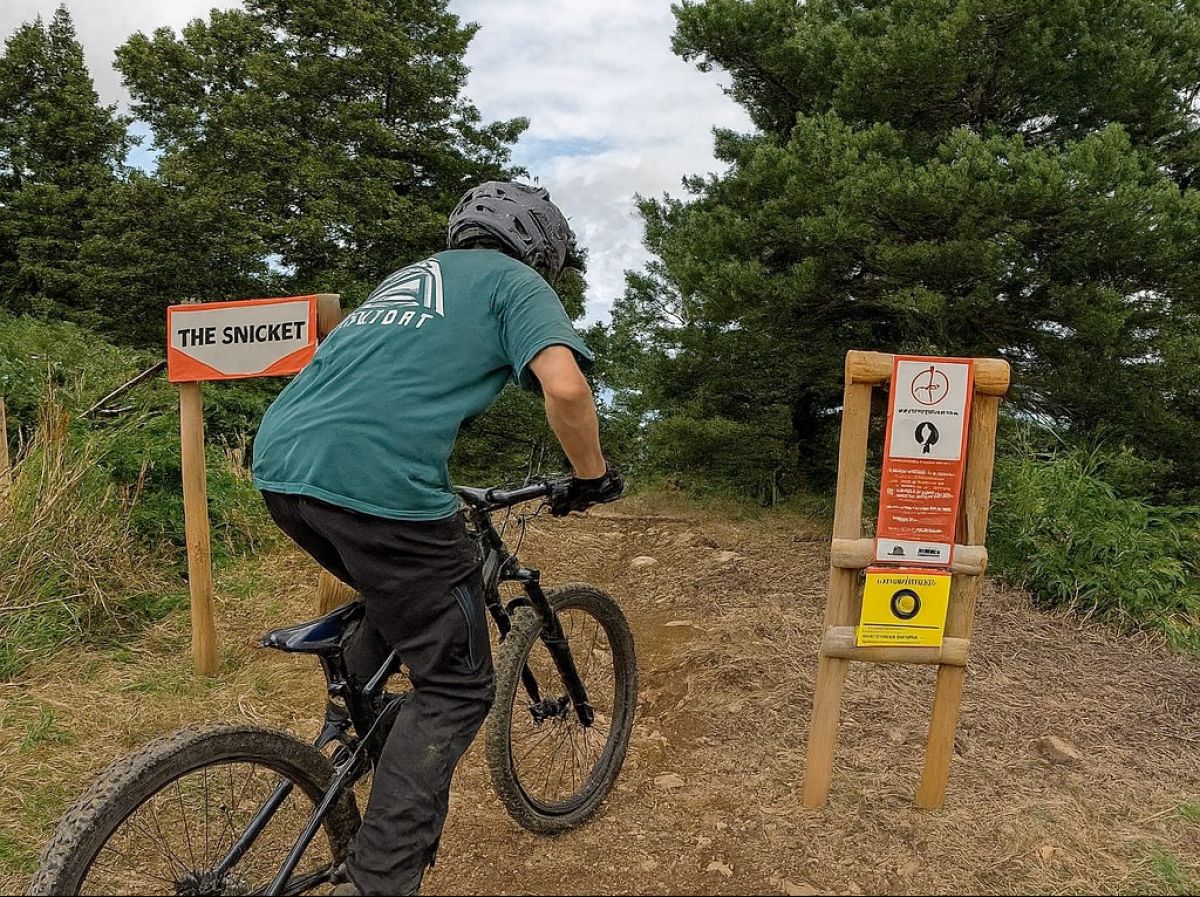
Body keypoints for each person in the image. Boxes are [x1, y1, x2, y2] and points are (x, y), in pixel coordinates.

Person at [251, 181, 624, 896]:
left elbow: (387, 386)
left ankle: (354, 716)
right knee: (456, 684)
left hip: (282, 464)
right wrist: (590, 474)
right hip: (376, 480)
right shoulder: (515, 282)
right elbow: (568, 389)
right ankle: (381, 879)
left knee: (397, 586)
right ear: (539, 247)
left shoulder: (409, 279)